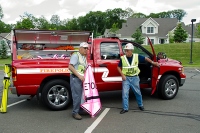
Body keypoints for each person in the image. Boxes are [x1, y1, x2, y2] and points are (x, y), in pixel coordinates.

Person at [117, 43, 159, 114]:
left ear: (131, 51)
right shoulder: (123, 58)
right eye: (125, 50)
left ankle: (140, 105)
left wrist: (153, 63)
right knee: (125, 94)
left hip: (135, 78)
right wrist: (122, 75)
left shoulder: (136, 56)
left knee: (137, 92)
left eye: (127, 50)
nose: (126, 52)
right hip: (126, 78)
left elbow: (146, 58)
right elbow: (118, 67)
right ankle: (125, 108)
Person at [68, 42, 89, 120]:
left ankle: (80, 110)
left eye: (87, 48)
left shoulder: (83, 57)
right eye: (84, 48)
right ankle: (75, 112)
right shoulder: (75, 55)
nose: (86, 50)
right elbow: (70, 67)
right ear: (80, 48)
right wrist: (79, 76)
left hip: (80, 79)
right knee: (77, 96)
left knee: (80, 96)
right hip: (75, 78)